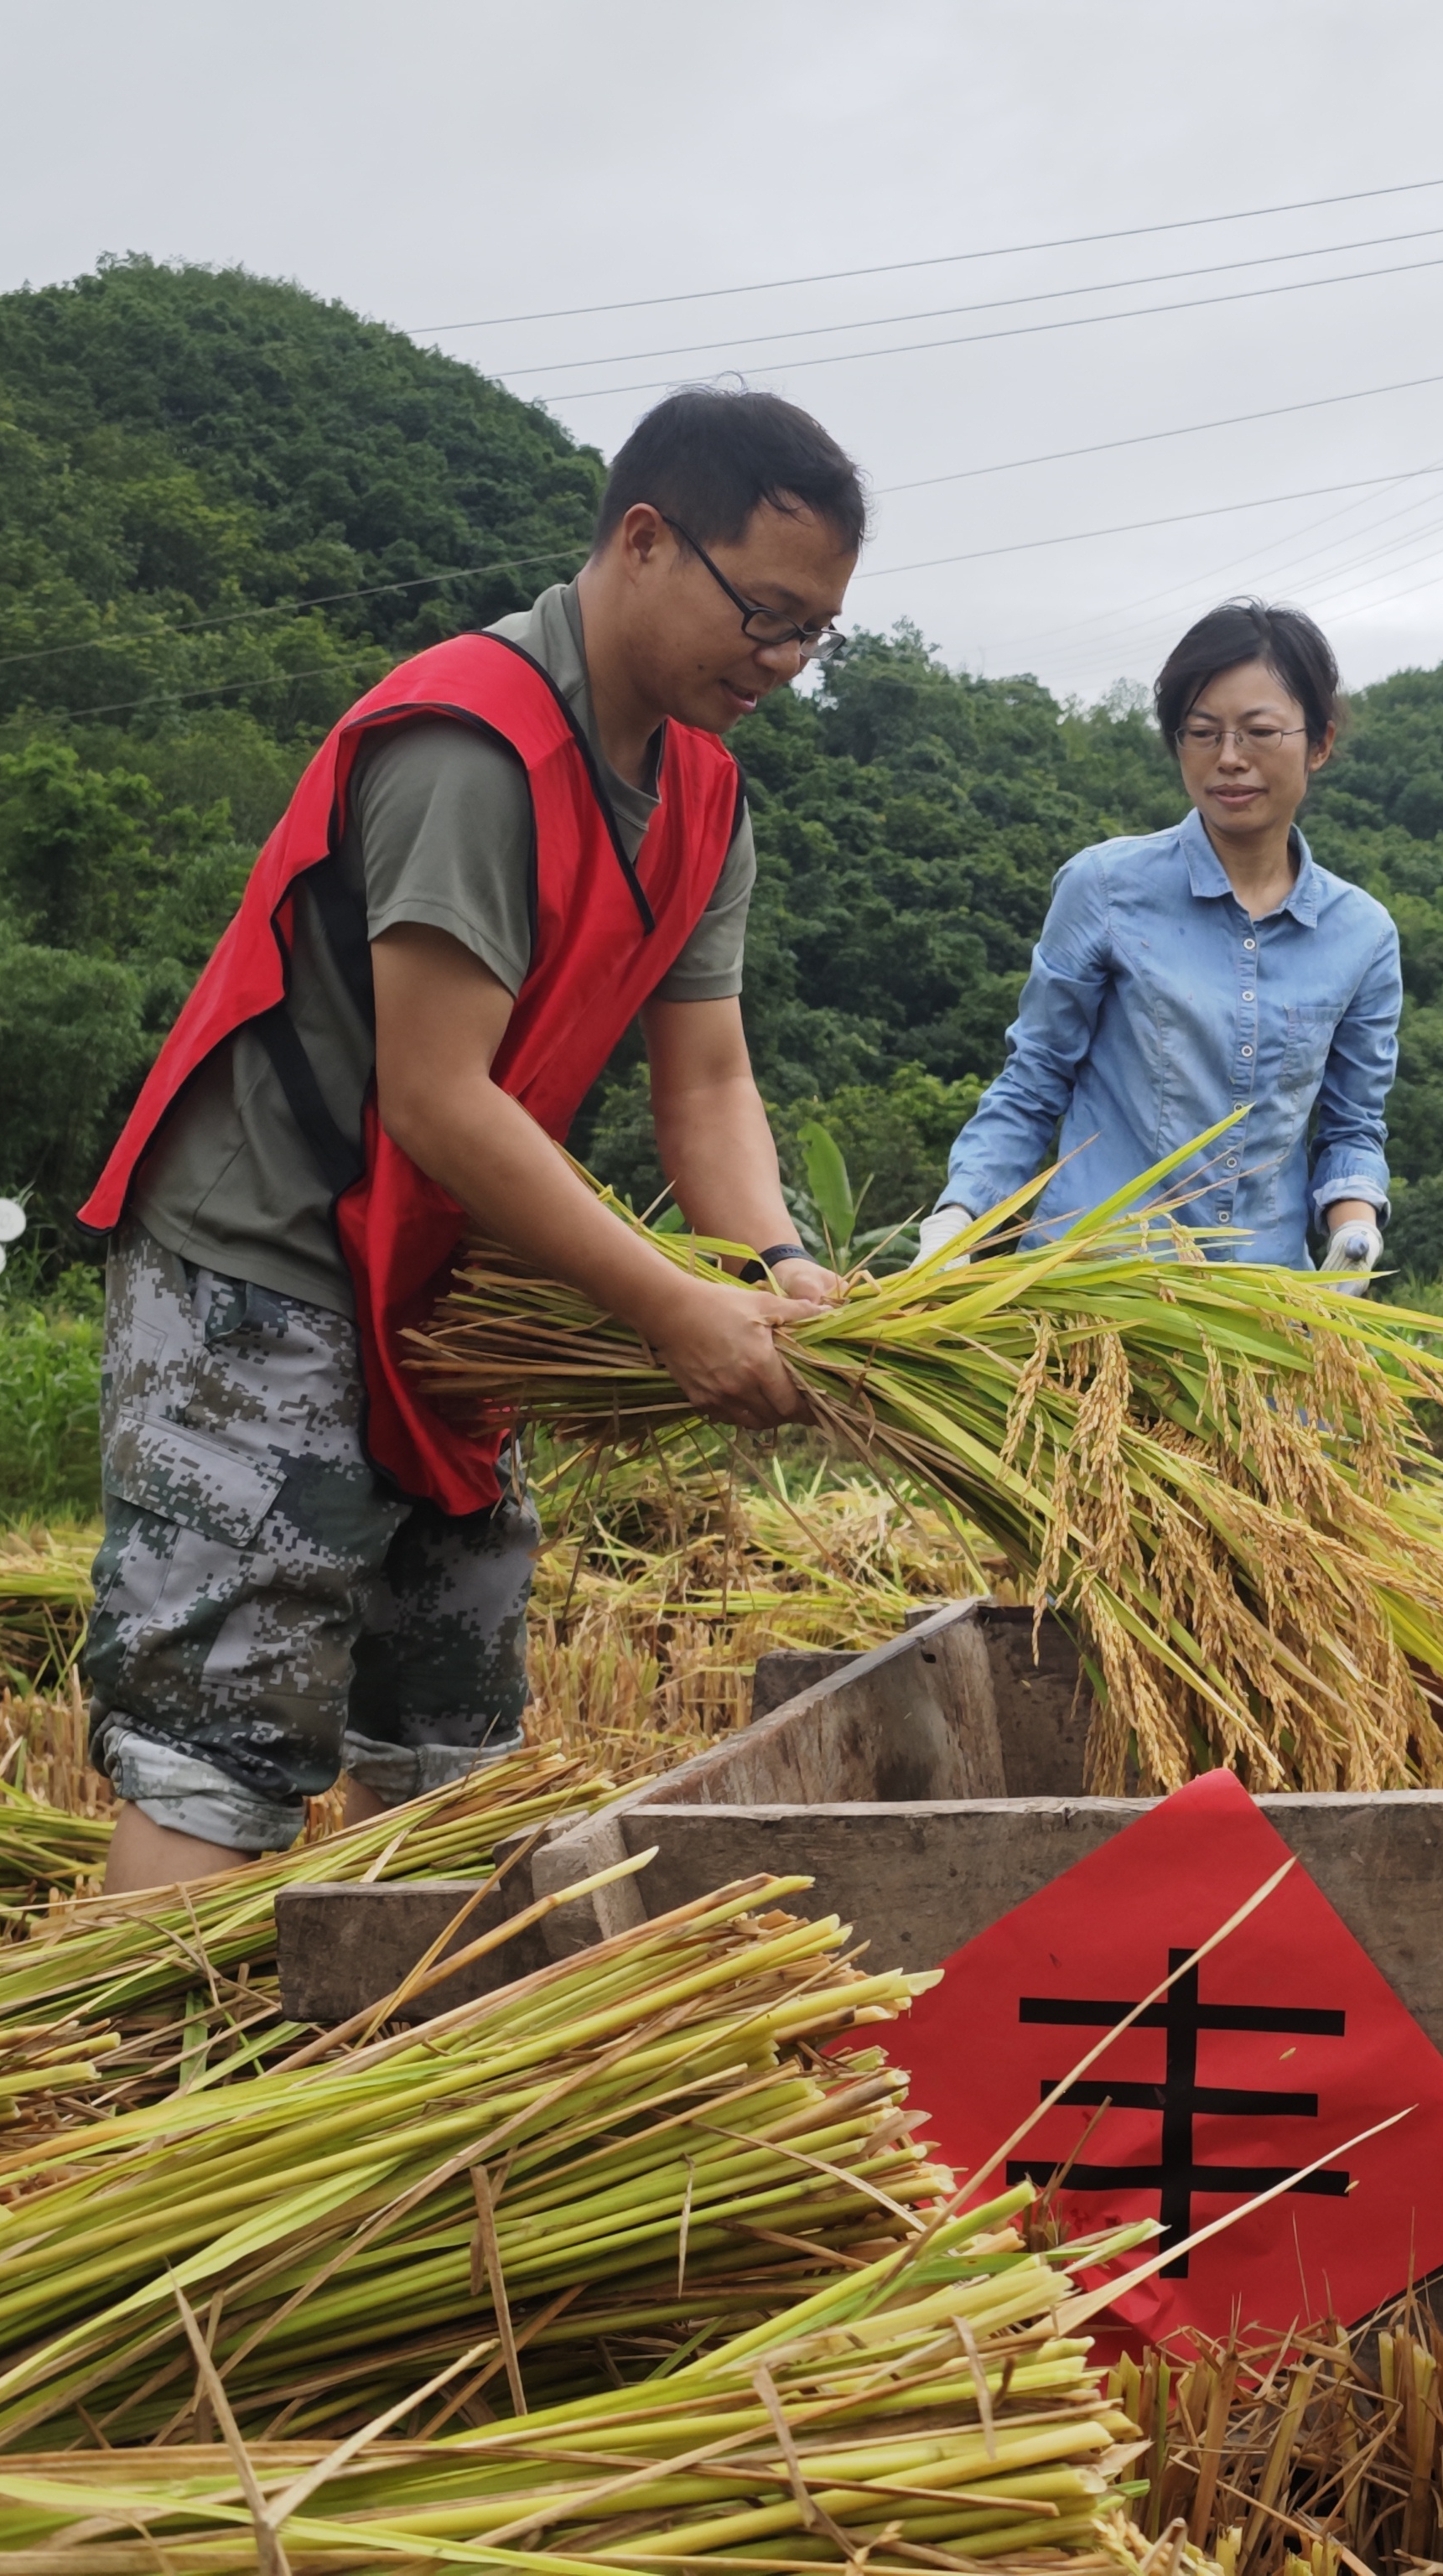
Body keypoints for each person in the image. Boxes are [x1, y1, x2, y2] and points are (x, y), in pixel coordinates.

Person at [70, 389, 866, 1894]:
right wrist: (669, 1306)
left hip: (443, 1275)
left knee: (448, 1711)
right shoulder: (473, 745)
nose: (780, 662)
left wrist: (770, 1261)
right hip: (272, 1259)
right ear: (644, 541)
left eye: (811, 633)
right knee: (226, 1721)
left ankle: (390, 2064)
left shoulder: (701, 790)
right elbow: (439, 1094)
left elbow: (703, 1082)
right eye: (763, 613)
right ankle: (145, 2116)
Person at [923, 601, 1396, 1283]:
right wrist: (962, 1212)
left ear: (1318, 743)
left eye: (1259, 732)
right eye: (1202, 733)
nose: (1229, 759)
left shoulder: (1363, 935)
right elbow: (1035, 1079)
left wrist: (1354, 1229)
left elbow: (1352, 1125)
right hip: (1093, 1286)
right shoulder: (1105, 888)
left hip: (1262, 1307)